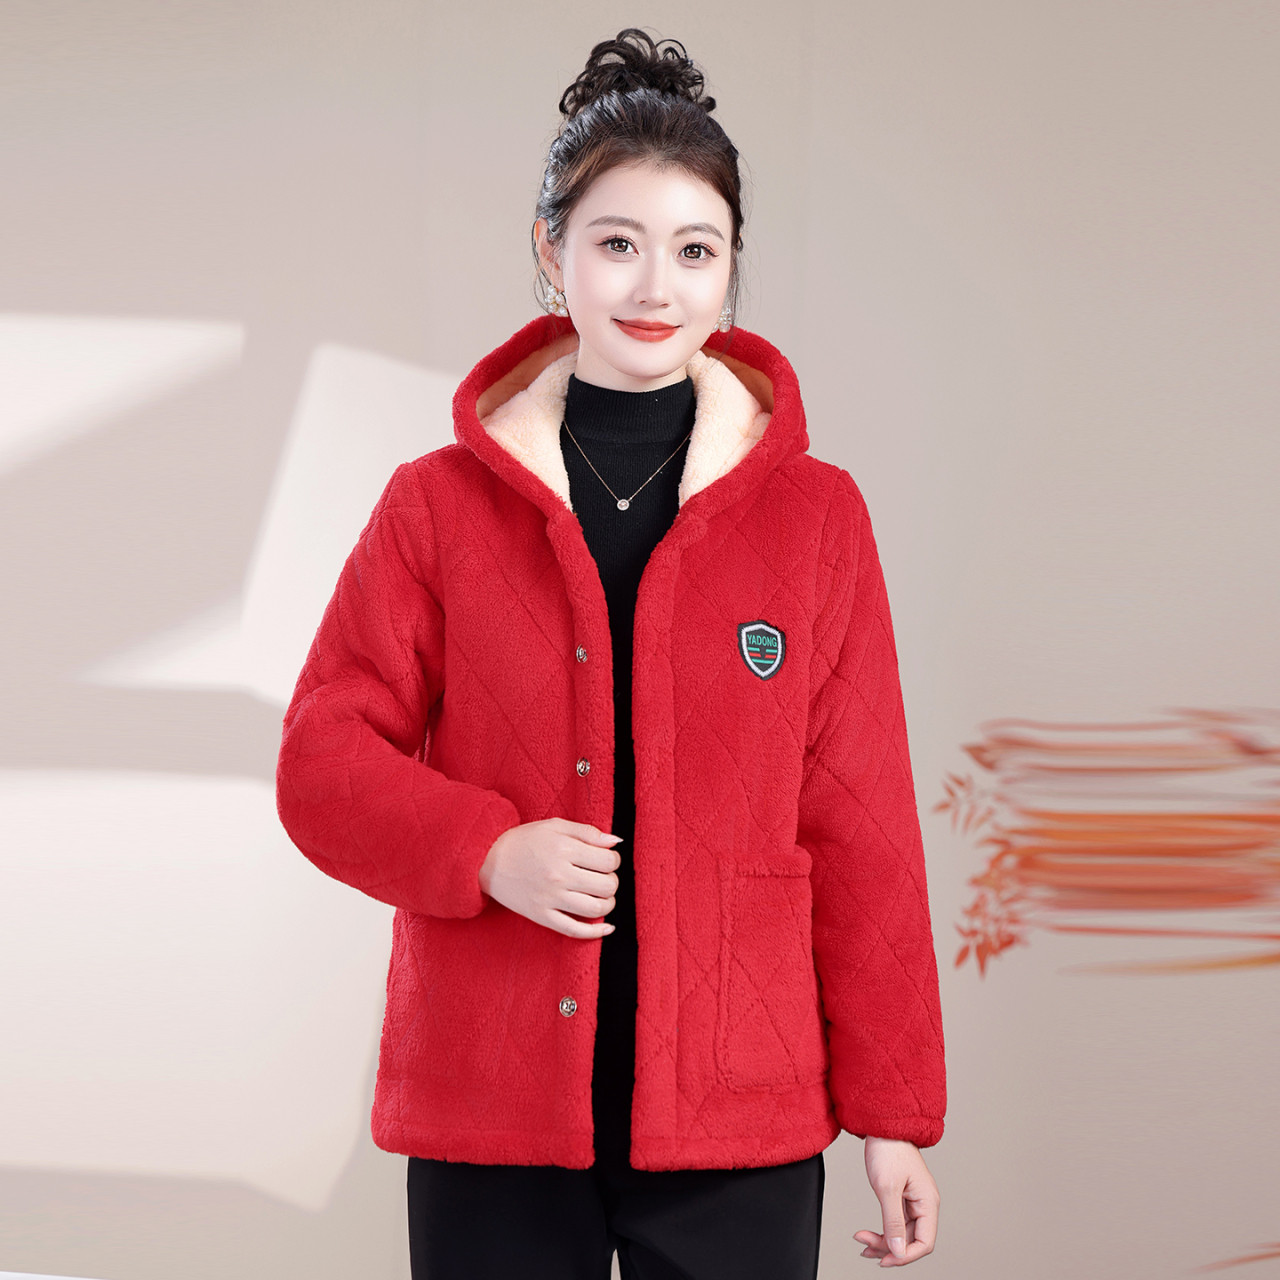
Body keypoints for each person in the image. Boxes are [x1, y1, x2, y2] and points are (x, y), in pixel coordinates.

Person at [276, 27, 946, 1279]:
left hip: (740, 1107)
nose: (655, 287)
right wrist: (484, 850)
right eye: (617, 242)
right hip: (494, 1104)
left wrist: (894, 1112)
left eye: (695, 250)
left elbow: (860, 823)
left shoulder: (815, 518)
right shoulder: (435, 507)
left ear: (730, 269)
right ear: (554, 252)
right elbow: (320, 760)